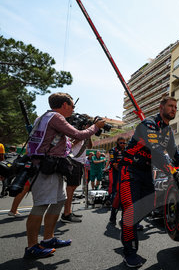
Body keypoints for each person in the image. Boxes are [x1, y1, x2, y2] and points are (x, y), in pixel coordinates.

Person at [24, 92, 105, 259]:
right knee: (41, 205)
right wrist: (96, 126)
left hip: (52, 166)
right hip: (44, 167)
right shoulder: (56, 117)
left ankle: (48, 239)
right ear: (64, 105)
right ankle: (31, 246)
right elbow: (79, 135)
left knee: (59, 201)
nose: (73, 109)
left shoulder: (45, 117)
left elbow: (65, 140)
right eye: (72, 106)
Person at [119, 95, 179, 268]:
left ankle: (127, 226)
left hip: (147, 175)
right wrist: (172, 172)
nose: (173, 109)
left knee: (148, 207)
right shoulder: (148, 124)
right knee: (130, 213)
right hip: (130, 171)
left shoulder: (168, 131)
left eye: (175, 107)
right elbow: (157, 150)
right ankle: (130, 253)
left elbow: (174, 152)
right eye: (170, 106)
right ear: (161, 107)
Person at [61, 135, 92, 223]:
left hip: (79, 163)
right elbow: (70, 145)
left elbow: (90, 146)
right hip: (73, 161)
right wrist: (81, 136)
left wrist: (89, 135)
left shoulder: (86, 135)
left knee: (73, 187)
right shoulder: (77, 133)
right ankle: (66, 214)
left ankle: (68, 211)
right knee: (70, 187)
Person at [108, 137, 126, 225]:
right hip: (117, 173)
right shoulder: (113, 150)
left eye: (124, 143)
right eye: (121, 143)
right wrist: (120, 169)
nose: (122, 144)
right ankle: (113, 216)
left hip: (126, 173)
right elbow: (113, 162)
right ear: (117, 143)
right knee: (117, 194)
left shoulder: (127, 150)